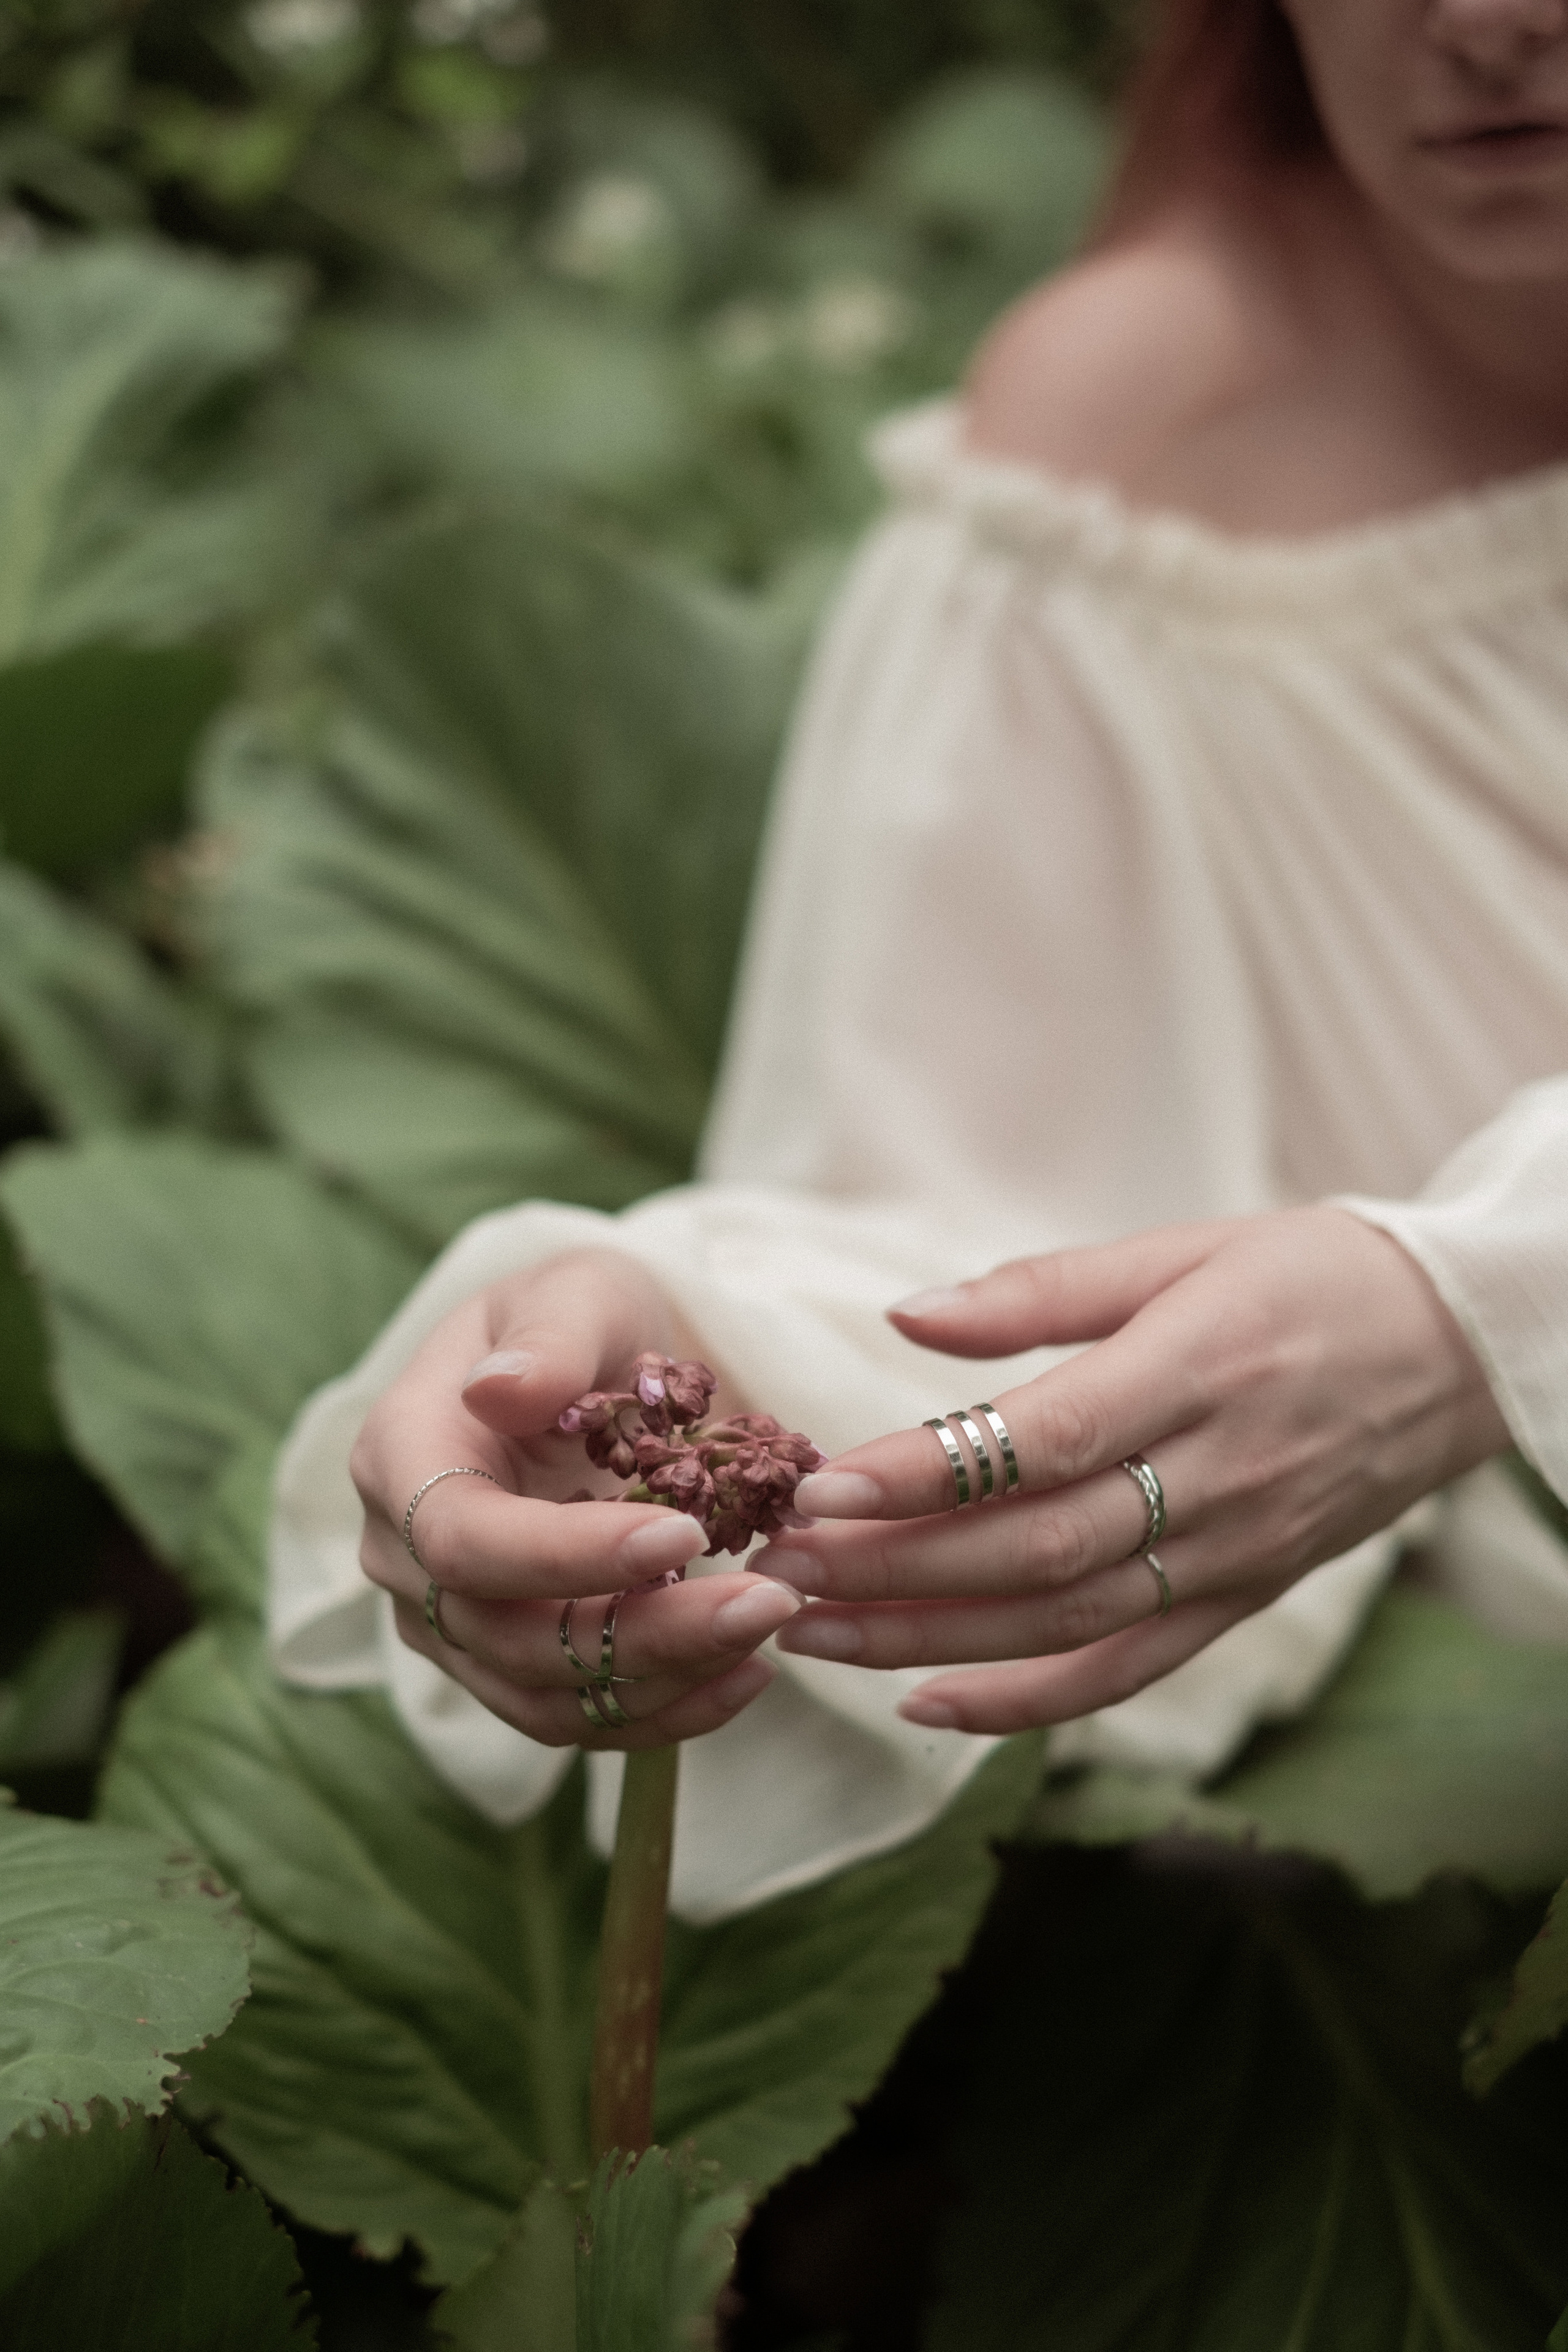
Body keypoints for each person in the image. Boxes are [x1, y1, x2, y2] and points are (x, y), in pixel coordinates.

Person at [271, 0, 1568, 1923]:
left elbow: (1430, 1316)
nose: (1482, 22)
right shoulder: (1138, 477)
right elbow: (987, 1249)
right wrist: (666, 1397)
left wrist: (1489, 1305)